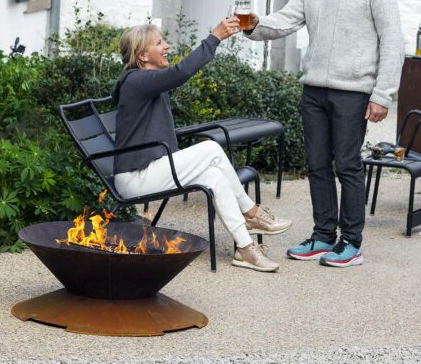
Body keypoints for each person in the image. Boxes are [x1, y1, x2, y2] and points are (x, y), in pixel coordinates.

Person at [244, 0, 404, 267]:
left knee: (347, 165)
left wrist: (382, 95)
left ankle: (351, 242)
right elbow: (286, 19)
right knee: (317, 165)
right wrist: (252, 25)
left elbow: (393, 41)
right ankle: (322, 235)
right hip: (314, 90)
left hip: (353, 91)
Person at [112, 19, 292, 273]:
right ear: (142, 55)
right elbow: (180, 73)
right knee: (210, 149)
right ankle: (251, 213)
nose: (167, 46)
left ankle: (245, 248)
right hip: (136, 178)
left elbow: (173, 75)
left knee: (214, 176)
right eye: (159, 43)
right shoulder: (136, 81)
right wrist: (214, 37)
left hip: (150, 169)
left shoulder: (148, 80)